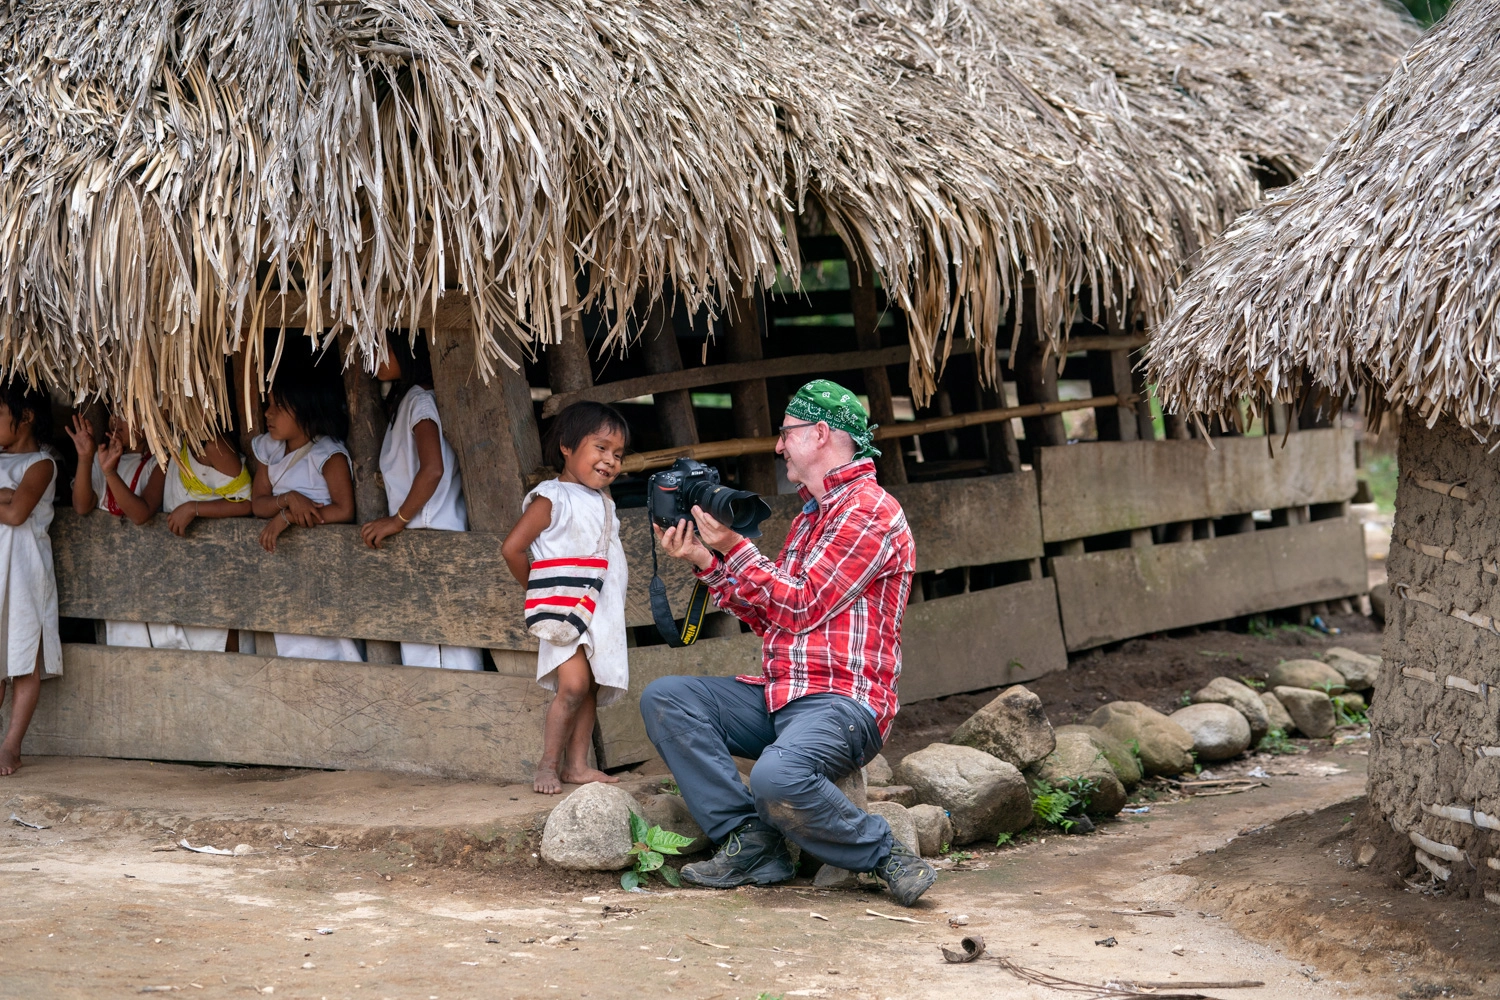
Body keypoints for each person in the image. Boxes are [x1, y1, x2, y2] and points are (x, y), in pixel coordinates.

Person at [645, 380, 934, 906]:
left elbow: (799, 605)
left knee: (777, 776)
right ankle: (752, 842)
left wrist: (734, 545)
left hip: (843, 703)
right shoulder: (811, 517)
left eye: (787, 434)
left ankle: (886, 855)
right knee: (667, 698)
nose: (778, 446)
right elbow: (773, 617)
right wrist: (707, 562)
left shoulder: (869, 510)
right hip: (783, 696)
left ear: (820, 434)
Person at [501, 402, 630, 794]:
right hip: (566, 612)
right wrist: (541, 596)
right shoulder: (552, 497)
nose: (610, 460)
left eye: (618, 454)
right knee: (572, 686)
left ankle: (577, 766)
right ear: (567, 447)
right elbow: (513, 548)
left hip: (600, 612)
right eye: (601, 447)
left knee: (590, 685)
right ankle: (547, 765)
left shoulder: (606, 503)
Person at [360, 336, 482, 671]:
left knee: (442, 658)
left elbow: (433, 469)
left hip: (432, 538)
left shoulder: (420, 401)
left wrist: (397, 520)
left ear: (408, 349)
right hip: (426, 538)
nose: (374, 352)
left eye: (383, 344)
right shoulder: (411, 399)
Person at [249, 378, 361, 662]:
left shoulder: (327, 453)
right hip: (281, 569)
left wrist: (287, 518)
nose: (268, 413)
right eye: (268, 405)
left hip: (321, 568)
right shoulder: (270, 449)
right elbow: (258, 504)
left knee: (328, 647)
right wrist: (287, 499)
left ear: (305, 411)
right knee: (289, 644)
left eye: (278, 407)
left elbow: (344, 509)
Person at [66, 412, 171, 648]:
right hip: (106, 576)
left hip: (146, 576)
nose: (115, 419)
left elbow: (140, 514)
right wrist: (85, 458)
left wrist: (110, 473)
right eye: (114, 412)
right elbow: (82, 506)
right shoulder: (100, 457)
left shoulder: (160, 464)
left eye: (126, 414)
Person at [0, 381, 60, 775]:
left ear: (25, 418)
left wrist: (11, 498)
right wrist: (5, 495)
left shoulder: (42, 464)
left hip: (25, 571)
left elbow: (17, 513)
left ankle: (11, 747)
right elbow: (9, 504)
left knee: (24, 660)